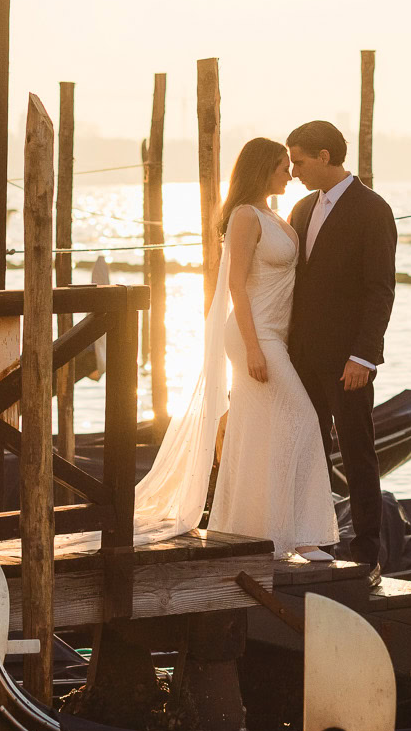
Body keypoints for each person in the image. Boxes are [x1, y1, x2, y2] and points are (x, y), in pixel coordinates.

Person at [131, 139, 338, 560]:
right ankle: (296, 536)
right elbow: (236, 286)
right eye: (283, 166)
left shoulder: (276, 215)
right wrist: (253, 349)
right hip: (253, 335)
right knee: (303, 418)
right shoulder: (246, 216)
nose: (290, 173)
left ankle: (257, 532)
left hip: (274, 337)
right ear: (263, 169)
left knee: (261, 431)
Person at [284, 121, 397, 580]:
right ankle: (310, 536)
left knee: (356, 450)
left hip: (348, 361)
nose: (293, 171)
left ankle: (368, 550)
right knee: (303, 448)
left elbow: (380, 290)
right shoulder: (301, 208)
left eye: (299, 160)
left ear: (325, 156)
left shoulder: (373, 210)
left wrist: (364, 356)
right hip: (300, 357)